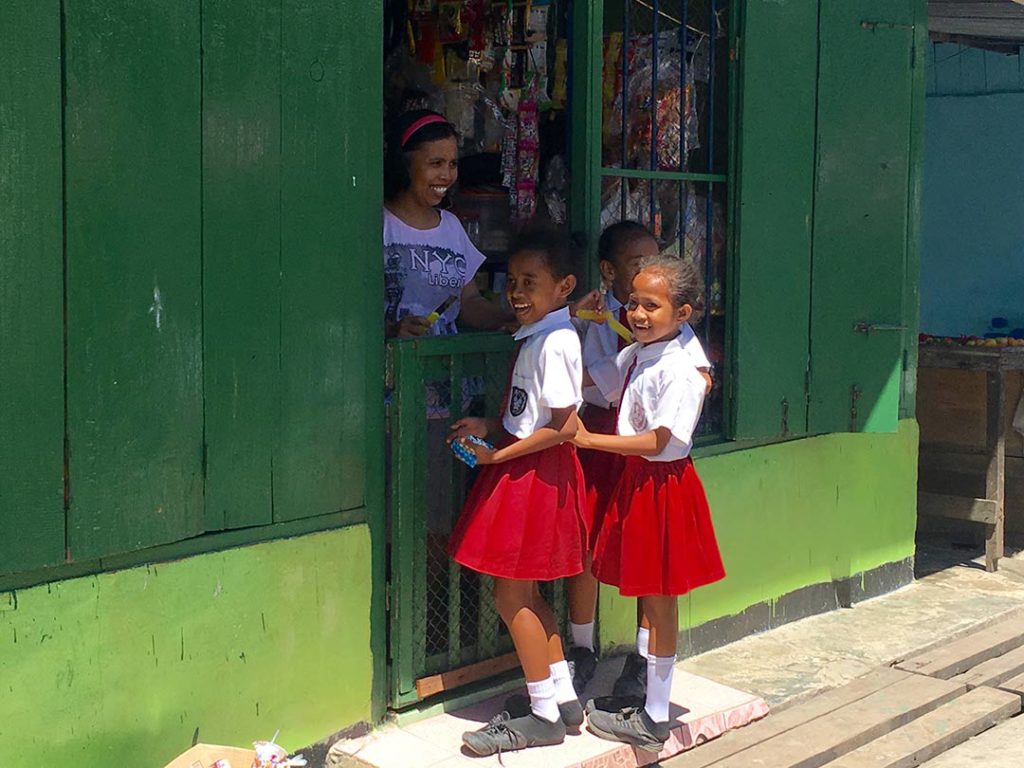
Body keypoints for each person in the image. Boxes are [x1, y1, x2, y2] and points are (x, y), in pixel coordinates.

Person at [574, 255, 726, 750]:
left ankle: (655, 717)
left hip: (662, 486)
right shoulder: (642, 351)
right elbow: (600, 383)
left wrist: (590, 441)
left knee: (660, 600)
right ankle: (643, 695)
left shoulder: (682, 370)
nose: (638, 314)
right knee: (650, 591)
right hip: (639, 481)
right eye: (634, 302)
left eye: (651, 306)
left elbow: (659, 440)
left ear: (682, 314)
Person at [446, 230, 588, 756]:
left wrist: (496, 457)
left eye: (531, 282)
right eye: (512, 282)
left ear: (564, 286)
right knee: (526, 595)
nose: (517, 292)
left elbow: (564, 426)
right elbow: (529, 414)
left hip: (533, 475)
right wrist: (489, 425)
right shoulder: (538, 335)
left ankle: (542, 716)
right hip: (527, 467)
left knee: (511, 597)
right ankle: (563, 699)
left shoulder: (556, 341)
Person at [383, 109, 510, 338]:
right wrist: (391, 330)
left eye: (452, 164)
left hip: (445, 359)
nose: (447, 175)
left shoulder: (451, 226)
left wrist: (511, 319)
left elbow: (469, 301)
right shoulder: (380, 224)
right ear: (404, 165)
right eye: (436, 163)